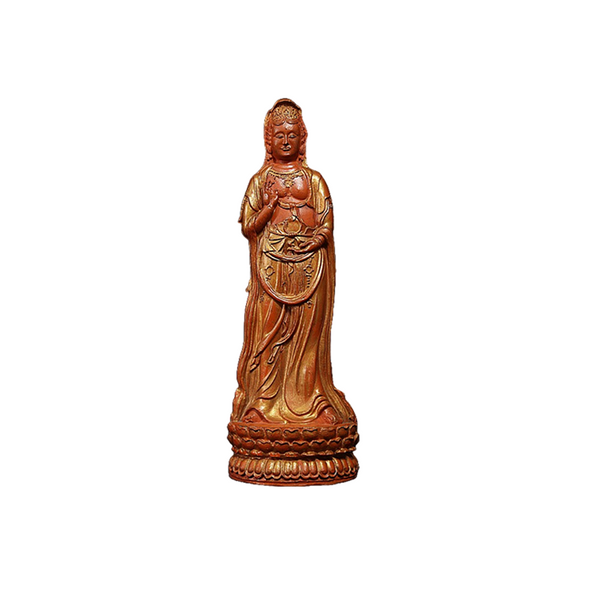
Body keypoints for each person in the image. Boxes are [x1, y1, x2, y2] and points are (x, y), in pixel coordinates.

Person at [231, 99, 356, 426]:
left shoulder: (314, 180)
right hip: (272, 267)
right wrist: (269, 208)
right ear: (268, 140)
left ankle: (315, 399)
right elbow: (248, 227)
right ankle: (262, 402)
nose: (285, 141)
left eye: (292, 134)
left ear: (302, 139)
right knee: (268, 331)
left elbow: (326, 222)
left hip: (309, 267)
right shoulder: (259, 182)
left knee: (308, 338)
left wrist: (316, 239)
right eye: (279, 135)